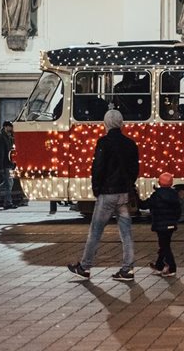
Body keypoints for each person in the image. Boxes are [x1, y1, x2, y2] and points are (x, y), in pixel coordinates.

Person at [68, 110, 140, 281]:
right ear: (121, 123)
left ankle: (85, 267)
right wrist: (128, 185)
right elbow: (134, 170)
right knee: (126, 233)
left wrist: (96, 188)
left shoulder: (103, 142)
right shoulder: (130, 144)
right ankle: (127, 269)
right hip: (123, 194)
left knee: (95, 231)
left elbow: (98, 167)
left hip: (107, 194)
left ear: (106, 123)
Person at [147, 172, 181, 277]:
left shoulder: (157, 195)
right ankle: (159, 266)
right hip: (171, 224)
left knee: (164, 246)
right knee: (164, 245)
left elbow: (145, 205)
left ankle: (171, 267)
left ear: (159, 182)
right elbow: (178, 211)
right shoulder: (175, 195)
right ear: (171, 183)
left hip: (160, 225)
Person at [0, 121, 16, 210]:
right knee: (9, 184)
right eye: (10, 127)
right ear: (6, 127)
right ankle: (7, 202)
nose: (11, 129)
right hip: (6, 164)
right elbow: (0, 153)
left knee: (9, 183)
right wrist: (0, 166)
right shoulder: (2, 138)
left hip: (9, 164)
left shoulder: (8, 137)